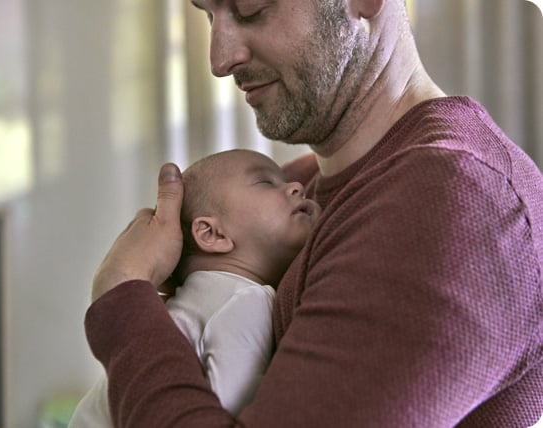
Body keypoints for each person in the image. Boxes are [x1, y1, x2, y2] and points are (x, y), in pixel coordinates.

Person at [84, 0, 543, 426]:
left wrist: (124, 299)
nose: (219, 60)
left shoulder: (448, 201)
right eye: (209, 14)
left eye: (251, 8)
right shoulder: (301, 189)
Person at [69, 149, 320, 427]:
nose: (297, 186)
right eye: (266, 182)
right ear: (212, 234)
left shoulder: (190, 305)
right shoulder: (245, 300)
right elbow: (234, 408)